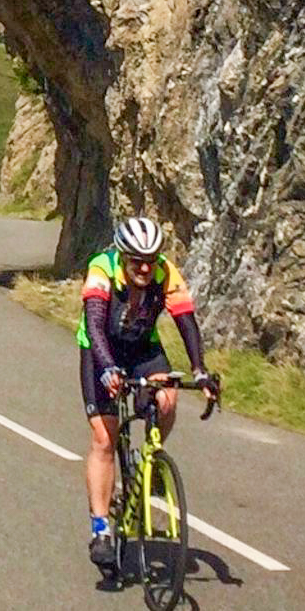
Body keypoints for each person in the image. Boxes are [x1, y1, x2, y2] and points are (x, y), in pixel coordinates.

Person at [79, 215, 220, 571]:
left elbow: (185, 319)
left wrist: (200, 371)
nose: (145, 267)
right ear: (122, 256)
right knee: (104, 438)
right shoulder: (102, 268)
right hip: (101, 349)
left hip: (143, 347)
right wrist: (109, 368)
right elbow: (95, 323)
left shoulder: (164, 272)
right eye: (136, 260)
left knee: (168, 395)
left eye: (151, 259)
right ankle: (101, 529)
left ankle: (153, 457)